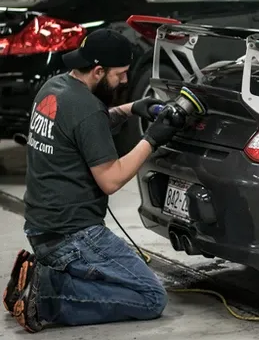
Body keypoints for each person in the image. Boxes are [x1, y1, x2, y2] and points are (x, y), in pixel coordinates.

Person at [3, 28, 181, 333]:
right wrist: (152, 139)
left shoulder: (54, 87)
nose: (125, 81)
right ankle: (45, 295)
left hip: (41, 228)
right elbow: (111, 180)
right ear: (98, 70)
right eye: (120, 74)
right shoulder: (86, 109)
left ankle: (47, 275)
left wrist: (131, 109)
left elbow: (83, 128)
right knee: (151, 298)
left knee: (124, 280)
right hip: (74, 236)